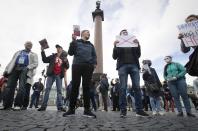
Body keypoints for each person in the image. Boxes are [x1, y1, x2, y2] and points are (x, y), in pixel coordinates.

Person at [112, 29, 149, 117]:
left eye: (126, 33)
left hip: (134, 65)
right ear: (120, 35)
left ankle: (139, 110)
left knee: (136, 87)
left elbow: (138, 55)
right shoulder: (118, 44)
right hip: (122, 66)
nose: (125, 33)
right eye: (123, 33)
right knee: (123, 88)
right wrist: (115, 46)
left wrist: (138, 44)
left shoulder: (133, 43)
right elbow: (114, 57)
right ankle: (123, 111)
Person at [63, 30, 97, 118]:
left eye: (89, 33)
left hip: (88, 67)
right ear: (82, 34)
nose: (89, 34)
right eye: (87, 32)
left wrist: (94, 64)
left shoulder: (91, 45)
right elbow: (70, 53)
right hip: (77, 65)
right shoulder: (76, 42)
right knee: (75, 86)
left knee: (86, 87)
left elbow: (94, 55)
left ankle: (87, 110)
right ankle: (71, 109)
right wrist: (73, 41)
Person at [1, 41, 38, 110]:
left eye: (30, 44)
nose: (29, 45)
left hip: (24, 69)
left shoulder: (34, 54)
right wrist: (6, 69)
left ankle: (18, 105)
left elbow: (36, 63)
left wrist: (28, 67)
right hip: (15, 68)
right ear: (24, 45)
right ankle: (6, 105)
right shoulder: (18, 52)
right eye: (27, 43)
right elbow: (12, 61)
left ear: (31, 46)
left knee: (21, 87)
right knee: (9, 86)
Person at [37, 44, 69, 112]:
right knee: (47, 89)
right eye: (57, 47)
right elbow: (44, 60)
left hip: (59, 75)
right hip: (51, 74)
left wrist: (66, 61)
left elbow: (67, 66)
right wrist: (42, 51)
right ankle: (43, 106)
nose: (58, 49)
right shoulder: (53, 56)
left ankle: (60, 107)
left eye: (59, 47)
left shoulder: (64, 57)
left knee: (59, 91)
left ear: (62, 49)